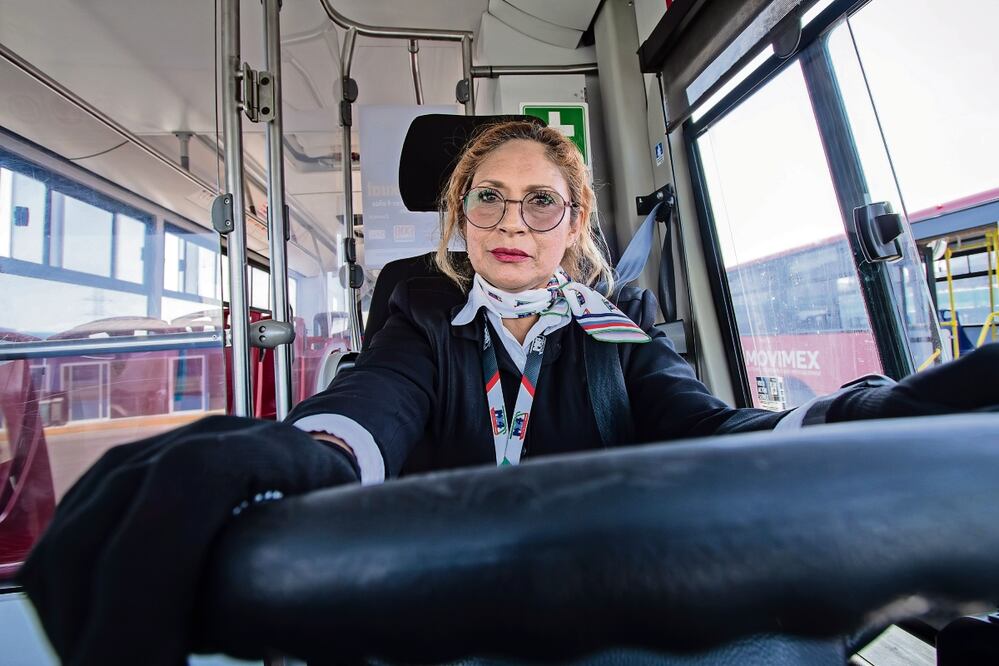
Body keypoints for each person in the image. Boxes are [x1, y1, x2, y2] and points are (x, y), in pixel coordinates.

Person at [19, 120, 999, 666]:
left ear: (574, 227)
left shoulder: (620, 332)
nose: (510, 218)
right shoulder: (419, 312)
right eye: (484, 194)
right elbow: (373, 406)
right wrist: (302, 452)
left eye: (541, 199)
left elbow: (709, 426)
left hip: (642, 609)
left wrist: (865, 417)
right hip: (455, 627)